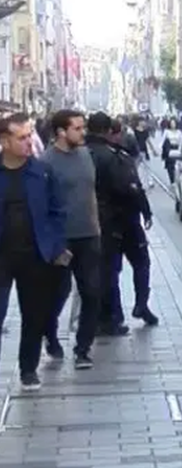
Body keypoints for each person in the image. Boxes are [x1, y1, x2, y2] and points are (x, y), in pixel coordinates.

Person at [0, 112, 69, 390]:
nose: (29, 142)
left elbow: (57, 211)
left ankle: (28, 369)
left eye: (30, 136)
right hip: (2, 256)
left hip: (35, 255)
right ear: (4, 141)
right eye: (22, 137)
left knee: (33, 315)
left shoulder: (41, 172)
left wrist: (55, 245)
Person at [41, 109, 103, 369]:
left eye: (83, 127)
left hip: (89, 235)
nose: (83, 132)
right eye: (77, 128)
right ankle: (51, 334)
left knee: (91, 292)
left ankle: (82, 349)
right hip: (61, 239)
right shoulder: (46, 162)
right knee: (59, 293)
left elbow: (92, 193)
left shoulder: (86, 156)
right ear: (61, 132)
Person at [86, 112, 155, 335]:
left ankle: (109, 316)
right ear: (109, 132)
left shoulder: (81, 154)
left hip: (97, 222)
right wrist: (145, 211)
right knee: (140, 262)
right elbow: (131, 187)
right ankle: (139, 305)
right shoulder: (115, 157)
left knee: (108, 270)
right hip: (123, 219)